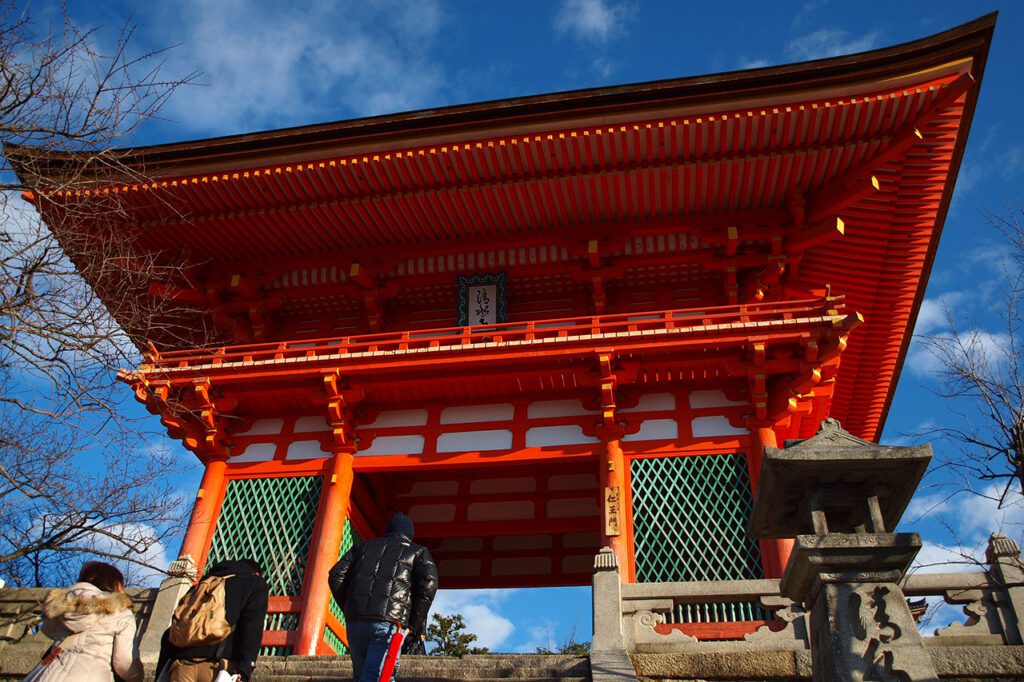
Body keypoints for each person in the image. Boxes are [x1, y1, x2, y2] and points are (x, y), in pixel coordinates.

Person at [329, 512, 438, 682]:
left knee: (361, 675)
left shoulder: (362, 547)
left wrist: (350, 605)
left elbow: (336, 576)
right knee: (379, 676)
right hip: (389, 623)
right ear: (409, 533)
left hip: (356, 621)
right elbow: (429, 583)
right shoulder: (417, 551)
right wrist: (414, 624)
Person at [23, 561, 143, 682]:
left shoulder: (61, 605)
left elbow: (47, 631)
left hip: (45, 674)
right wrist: (137, 677)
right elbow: (124, 663)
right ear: (116, 585)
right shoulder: (121, 612)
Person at [155, 558, 269, 682]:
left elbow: (173, 630)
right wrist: (245, 668)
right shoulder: (254, 582)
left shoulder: (200, 586)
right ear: (256, 573)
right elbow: (251, 628)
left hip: (181, 666)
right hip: (218, 667)